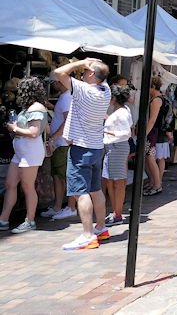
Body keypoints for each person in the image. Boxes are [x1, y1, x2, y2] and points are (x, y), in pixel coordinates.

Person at [55, 57, 112, 251]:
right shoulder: (106, 91)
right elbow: (102, 74)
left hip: (81, 148)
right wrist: (91, 65)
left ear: (91, 74)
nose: (82, 74)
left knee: (80, 193)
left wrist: (81, 62)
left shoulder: (83, 90)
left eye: (86, 71)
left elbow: (59, 73)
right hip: (96, 147)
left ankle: (88, 235)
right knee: (95, 189)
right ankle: (101, 228)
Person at [0, 77, 47, 234]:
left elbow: (34, 132)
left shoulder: (36, 108)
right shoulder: (31, 108)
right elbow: (45, 129)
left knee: (27, 186)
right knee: (10, 184)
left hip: (30, 151)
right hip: (22, 151)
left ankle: (30, 221)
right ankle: (3, 219)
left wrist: (14, 128)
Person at [43, 74, 75, 220]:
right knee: (58, 175)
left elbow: (68, 120)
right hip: (60, 143)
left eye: (54, 83)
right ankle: (58, 207)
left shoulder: (67, 97)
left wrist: (54, 137)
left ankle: (70, 207)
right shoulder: (65, 97)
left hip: (62, 143)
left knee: (64, 176)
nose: (54, 86)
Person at [101, 84, 132, 227]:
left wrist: (107, 131)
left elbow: (126, 133)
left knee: (117, 182)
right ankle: (115, 212)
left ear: (114, 97)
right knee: (110, 180)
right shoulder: (122, 110)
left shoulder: (121, 112)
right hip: (113, 147)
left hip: (117, 147)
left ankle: (117, 214)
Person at [142, 76, 168, 196]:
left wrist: (144, 134)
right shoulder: (158, 98)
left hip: (152, 132)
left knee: (150, 158)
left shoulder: (156, 100)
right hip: (153, 132)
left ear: (153, 86)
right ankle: (154, 183)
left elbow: (152, 120)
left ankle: (157, 184)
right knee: (149, 158)